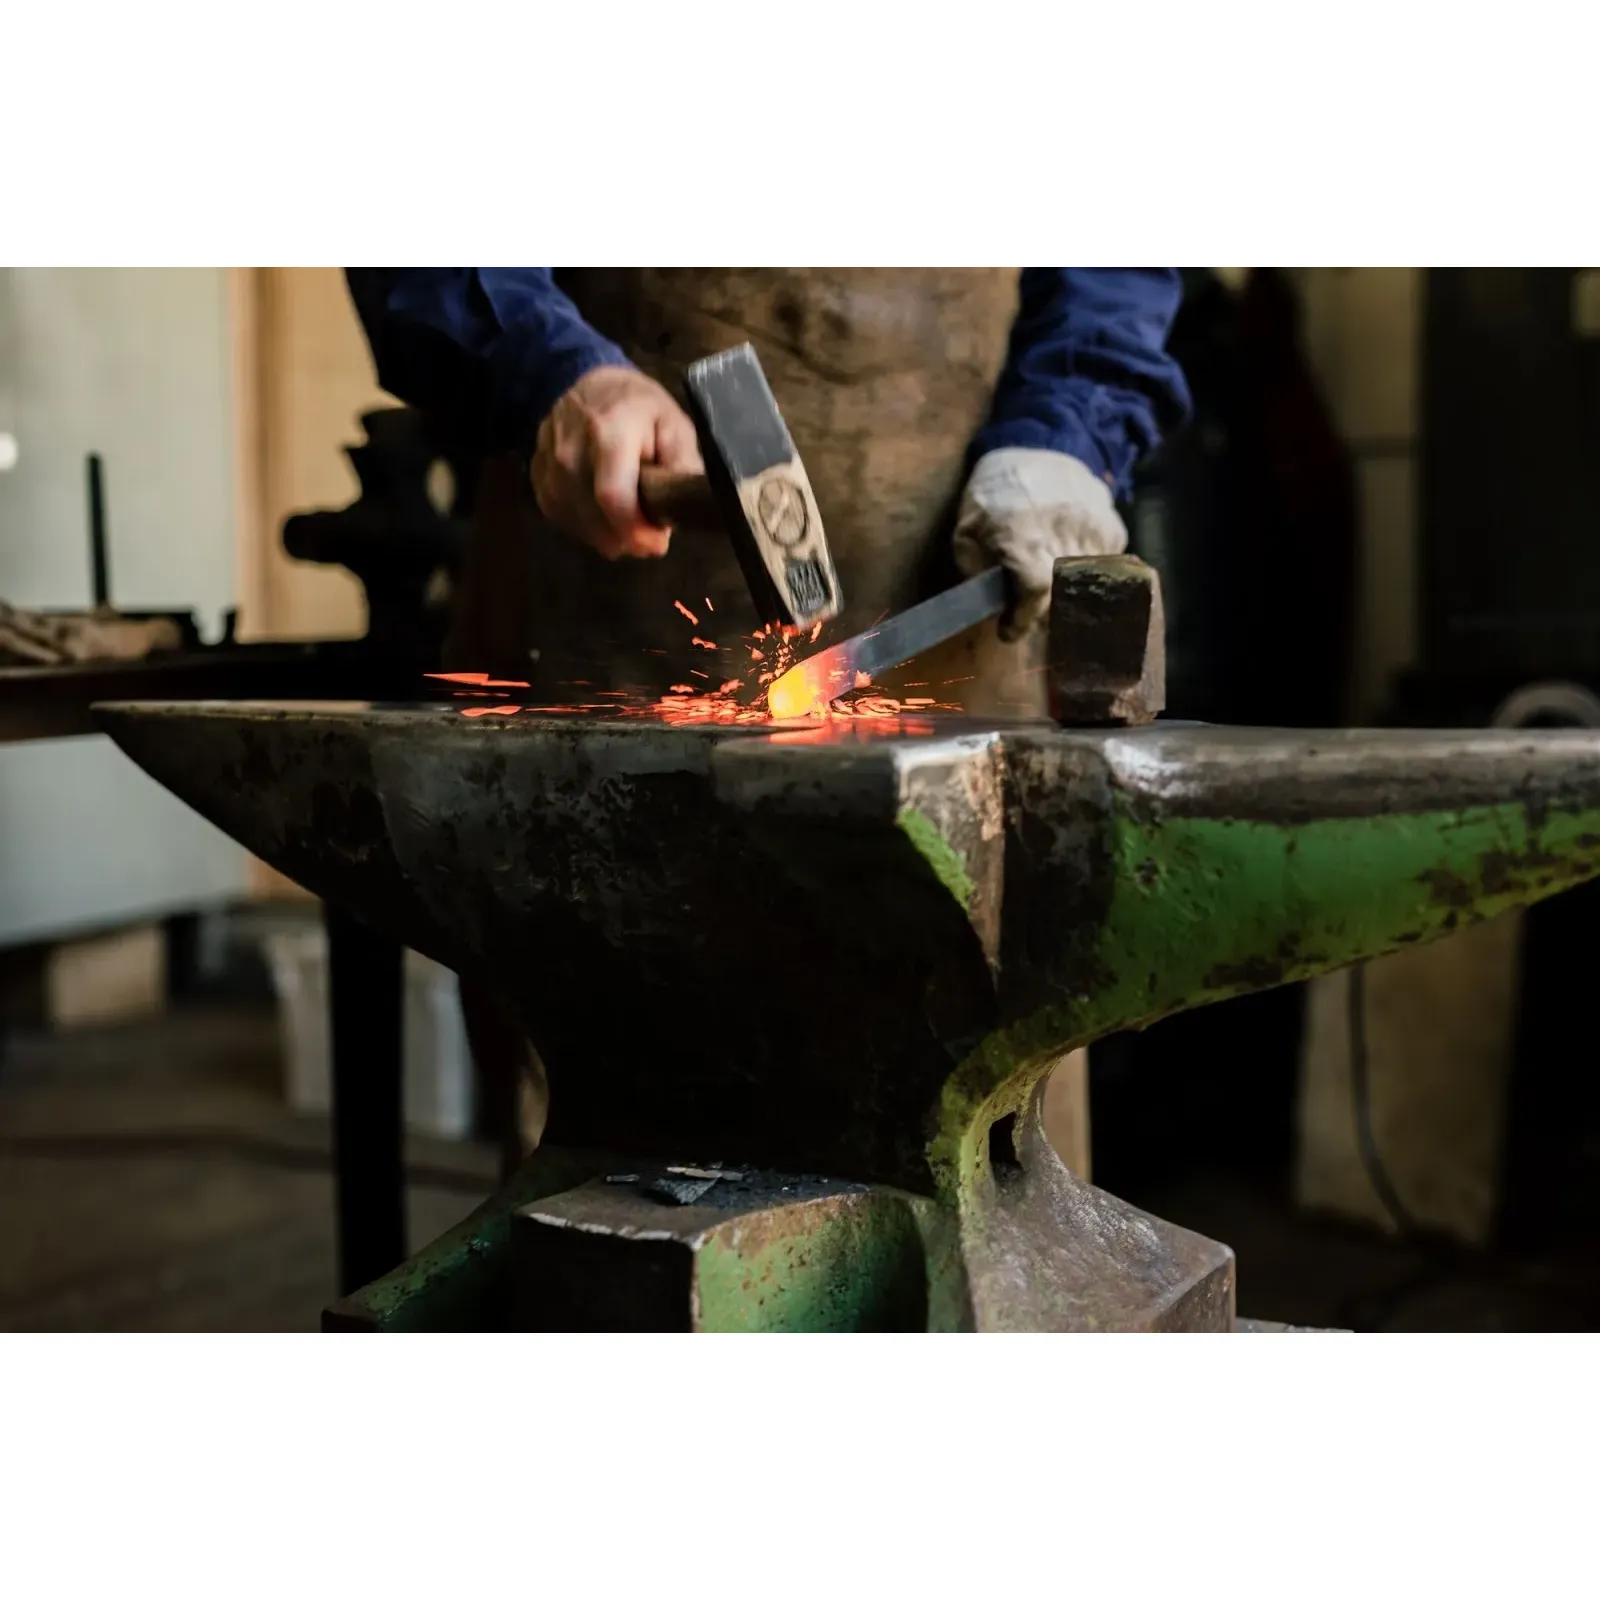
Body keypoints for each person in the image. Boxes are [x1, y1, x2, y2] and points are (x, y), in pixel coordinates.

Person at [345, 268, 1191, 1170]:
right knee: (628, 1165)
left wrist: (1063, 437)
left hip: (968, 622)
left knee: (986, 1156)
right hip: (606, 606)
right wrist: (547, 366)